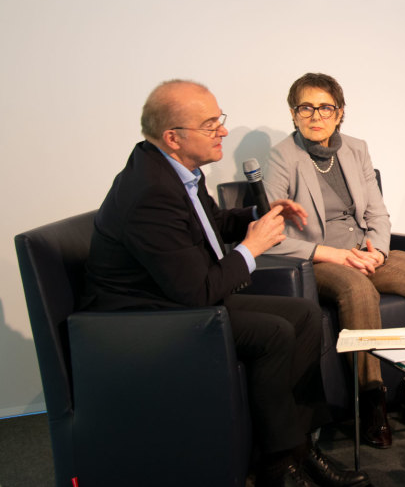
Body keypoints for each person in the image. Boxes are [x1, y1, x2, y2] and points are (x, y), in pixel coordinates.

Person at [81, 80, 371, 487]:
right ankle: (278, 461)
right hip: (144, 319)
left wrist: (262, 211)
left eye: (220, 119)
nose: (222, 131)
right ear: (173, 137)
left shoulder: (176, 170)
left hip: (178, 299)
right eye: (210, 124)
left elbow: (212, 225)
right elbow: (196, 292)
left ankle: (297, 449)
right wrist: (252, 247)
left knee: (305, 316)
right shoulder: (149, 191)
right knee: (273, 333)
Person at [262, 72, 405, 449]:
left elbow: (378, 214)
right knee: (357, 290)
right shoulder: (282, 157)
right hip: (320, 260)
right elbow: (272, 234)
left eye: (325, 107)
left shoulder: (356, 149)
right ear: (293, 114)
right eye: (306, 107)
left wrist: (377, 251)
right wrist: (334, 255)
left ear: (340, 113)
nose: (315, 115)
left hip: (365, 250)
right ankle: (372, 399)